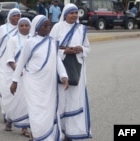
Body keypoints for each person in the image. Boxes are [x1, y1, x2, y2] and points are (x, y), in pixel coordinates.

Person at [10, 15, 69, 141]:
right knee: (36, 110)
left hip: (49, 83)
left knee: (49, 109)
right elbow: (21, 63)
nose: (48, 27)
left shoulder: (52, 42)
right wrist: (14, 81)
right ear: (37, 26)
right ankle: (39, 135)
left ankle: (49, 136)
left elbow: (57, 60)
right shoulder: (30, 42)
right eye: (45, 25)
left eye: (49, 24)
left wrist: (63, 76)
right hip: (33, 83)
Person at [49, 3, 91, 141]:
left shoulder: (81, 29)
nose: (74, 15)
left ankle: (73, 132)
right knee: (61, 99)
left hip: (76, 69)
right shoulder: (57, 27)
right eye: (71, 12)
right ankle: (60, 131)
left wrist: (81, 49)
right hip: (60, 67)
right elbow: (50, 47)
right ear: (65, 14)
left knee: (75, 99)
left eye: (75, 13)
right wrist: (64, 51)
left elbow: (88, 48)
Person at [4, 17, 31, 138]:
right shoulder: (12, 40)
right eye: (22, 25)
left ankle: (24, 127)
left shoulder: (33, 40)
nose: (24, 27)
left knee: (27, 100)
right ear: (18, 27)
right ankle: (10, 119)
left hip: (30, 75)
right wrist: (17, 70)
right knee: (15, 100)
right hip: (16, 74)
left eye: (26, 25)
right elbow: (10, 59)